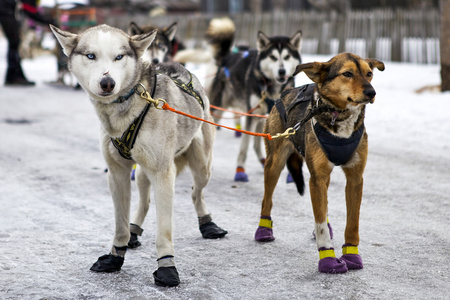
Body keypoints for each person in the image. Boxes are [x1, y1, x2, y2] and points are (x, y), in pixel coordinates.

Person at [0, 0, 56, 86]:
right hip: (6, 10)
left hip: (8, 9)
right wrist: (49, 21)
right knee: (14, 42)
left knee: (14, 42)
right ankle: (13, 76)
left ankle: (14, 75)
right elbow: (31, 11)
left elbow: (30, 9)